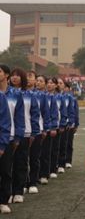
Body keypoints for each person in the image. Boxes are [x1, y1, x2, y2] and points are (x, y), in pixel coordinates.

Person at [10, 67, 40, 204]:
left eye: (17, 75)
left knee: (21, 162)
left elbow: (34, 115)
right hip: (8, 133)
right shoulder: (6, 93)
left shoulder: (29, 95)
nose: (14, 77)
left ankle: (18, 191)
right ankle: (8, 191)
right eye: (12, 75)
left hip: (25, 132)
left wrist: (34, 132)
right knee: (7, 165)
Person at [0, 64, 24, 214]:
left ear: (6, 75)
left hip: (7, 137)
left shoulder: (13, 94)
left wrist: (17, 136)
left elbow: (16, 118)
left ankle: (4, 199)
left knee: (6, 170)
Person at [38, 75, 58, 186]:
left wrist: (53, 127)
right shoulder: (32, 95)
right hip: (35, 129)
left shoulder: (50, 97)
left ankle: (44, 174)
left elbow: (53, 113)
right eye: (37, 80)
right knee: (35, 155)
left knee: (45, 152)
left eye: (41, 81)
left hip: (46, 128)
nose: (38, 83)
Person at [0, 65, 13, 214]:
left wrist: (2, 145)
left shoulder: (1, 97)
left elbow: (5, 123)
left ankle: (3, 201)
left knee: (4, 171)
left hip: (1, 142)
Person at [64, 81, 79, 169]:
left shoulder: (73, 99)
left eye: (66, 87)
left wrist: (76, 124)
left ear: (69, 89)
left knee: (69, 143)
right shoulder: (58, 97)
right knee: (62, 144)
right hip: (62, 124)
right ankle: (61, 161)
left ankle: (68, 161)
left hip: (71, 124)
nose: (64, 89)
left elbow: (76, 112)